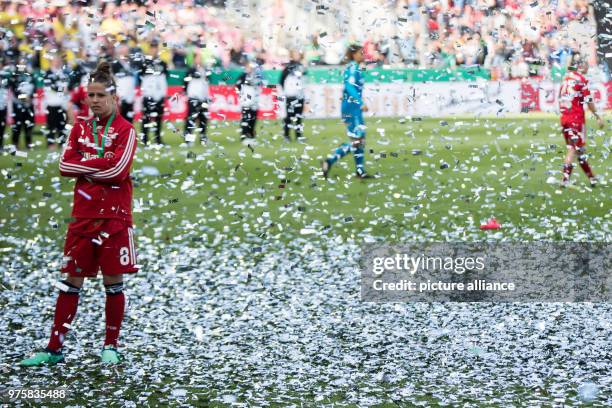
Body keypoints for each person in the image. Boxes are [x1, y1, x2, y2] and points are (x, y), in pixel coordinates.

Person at [20, 61, 138, 367]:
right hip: (82, 217)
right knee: (70, 282)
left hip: (114, 218)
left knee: (113, 283)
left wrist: (86, 163)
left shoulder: (126, 131)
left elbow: (118, 171)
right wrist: (99, 163)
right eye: (91, 95)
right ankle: (54, 349)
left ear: (114, 97)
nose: (95, 100)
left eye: (101, 95)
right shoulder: (80, 128)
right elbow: (63, 167)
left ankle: (110, 346)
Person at [321, 44, 373, 179]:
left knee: (358, 139)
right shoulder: (352, 68)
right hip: (351, 107)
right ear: (354, 54)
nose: (363, 55)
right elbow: (349, 86)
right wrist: (360, 102)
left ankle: (360, 171)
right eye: (361, 53)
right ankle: (330, 160)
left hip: (352, 106)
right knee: (358, 139)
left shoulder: (356, 68)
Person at [559, 53, 604, 187]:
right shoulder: (581, 80)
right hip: (576, 119)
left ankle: (592, 178)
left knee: (579, 150)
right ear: (580, 65)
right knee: (573, 149)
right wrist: (598, 116)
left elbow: (560, 100)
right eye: (585, 63)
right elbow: (588, 101)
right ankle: (565, 180)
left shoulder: (566, 79)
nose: (588, 66)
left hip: (565, 118)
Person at [139, 40, 167, 145]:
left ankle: (157, 139)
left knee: (158, 118)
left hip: (159, 94)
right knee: (146, 117)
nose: (154, 50)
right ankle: (145, 139)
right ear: (150, 49)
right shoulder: (145, 62)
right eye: (152, 48)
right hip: (148, 94)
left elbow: (165, 78)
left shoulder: (163, 63)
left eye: (156, 47)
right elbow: (141, 77)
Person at [43, 54, 70, 148]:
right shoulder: (47, 73)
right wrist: (62, 90)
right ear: (52, 62)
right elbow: (51, 86)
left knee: (62, 125)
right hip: (51, 103)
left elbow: (67, 85)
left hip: (62, 103)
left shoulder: (63, 73)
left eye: (59, 61)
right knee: (51, 125)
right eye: (55, 61)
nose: (57, 63)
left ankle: (62, 143)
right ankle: (50, 144)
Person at [280, 50, 307, 141]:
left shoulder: (301, 66)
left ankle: (298, 135)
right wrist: (288, 91)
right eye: (295, 54)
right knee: (289, 116)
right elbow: (281, 80)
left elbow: (304, 76)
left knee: (298, 116)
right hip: (291, 96)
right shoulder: (288, 67)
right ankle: (286, 135)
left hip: (300, 95)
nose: (297, 56)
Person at [183, 51, 209, 144]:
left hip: (203, 97)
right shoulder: (191, 69)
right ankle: (188, 139)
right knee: (191, 119)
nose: (200, 60)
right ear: (194, 59)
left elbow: (207, 81)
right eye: (198, 58)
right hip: (193, 97)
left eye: (200, 58)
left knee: (203, 118)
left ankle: (203, 138)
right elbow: (185, 82)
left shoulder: (204, 69)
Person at [9, 60, 35, 150]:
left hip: (29, 105)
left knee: (29, 124)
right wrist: (25, 97)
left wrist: (30, 97)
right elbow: (15, 90)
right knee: (17, 125)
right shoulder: (14, 76)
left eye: (24, 63)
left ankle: (29, 144)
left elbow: (34, 88)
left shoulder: (30, 75)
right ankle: (15, 144)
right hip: (18, 105)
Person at [236, 60, 263, 144]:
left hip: (255, 101)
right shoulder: (243, 75)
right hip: (246, 101)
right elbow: (238, 85)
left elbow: (260, 85)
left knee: (253, 119)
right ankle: (244, 137)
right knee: (246, 118)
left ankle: (251, 136)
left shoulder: (256, 76)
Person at [112, 42, 136, 123]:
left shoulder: (131, 64)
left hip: (130, 96)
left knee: (129, 119)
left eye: (126, 51)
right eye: (122, 51)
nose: (125, 53)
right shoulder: (114, 65)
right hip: (120, 96)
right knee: (119, 120)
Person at [0, 60, 10, 150]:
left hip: (2, 105)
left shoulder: (4, 76)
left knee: (2, 126)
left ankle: (0, 145)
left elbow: (12, 87)